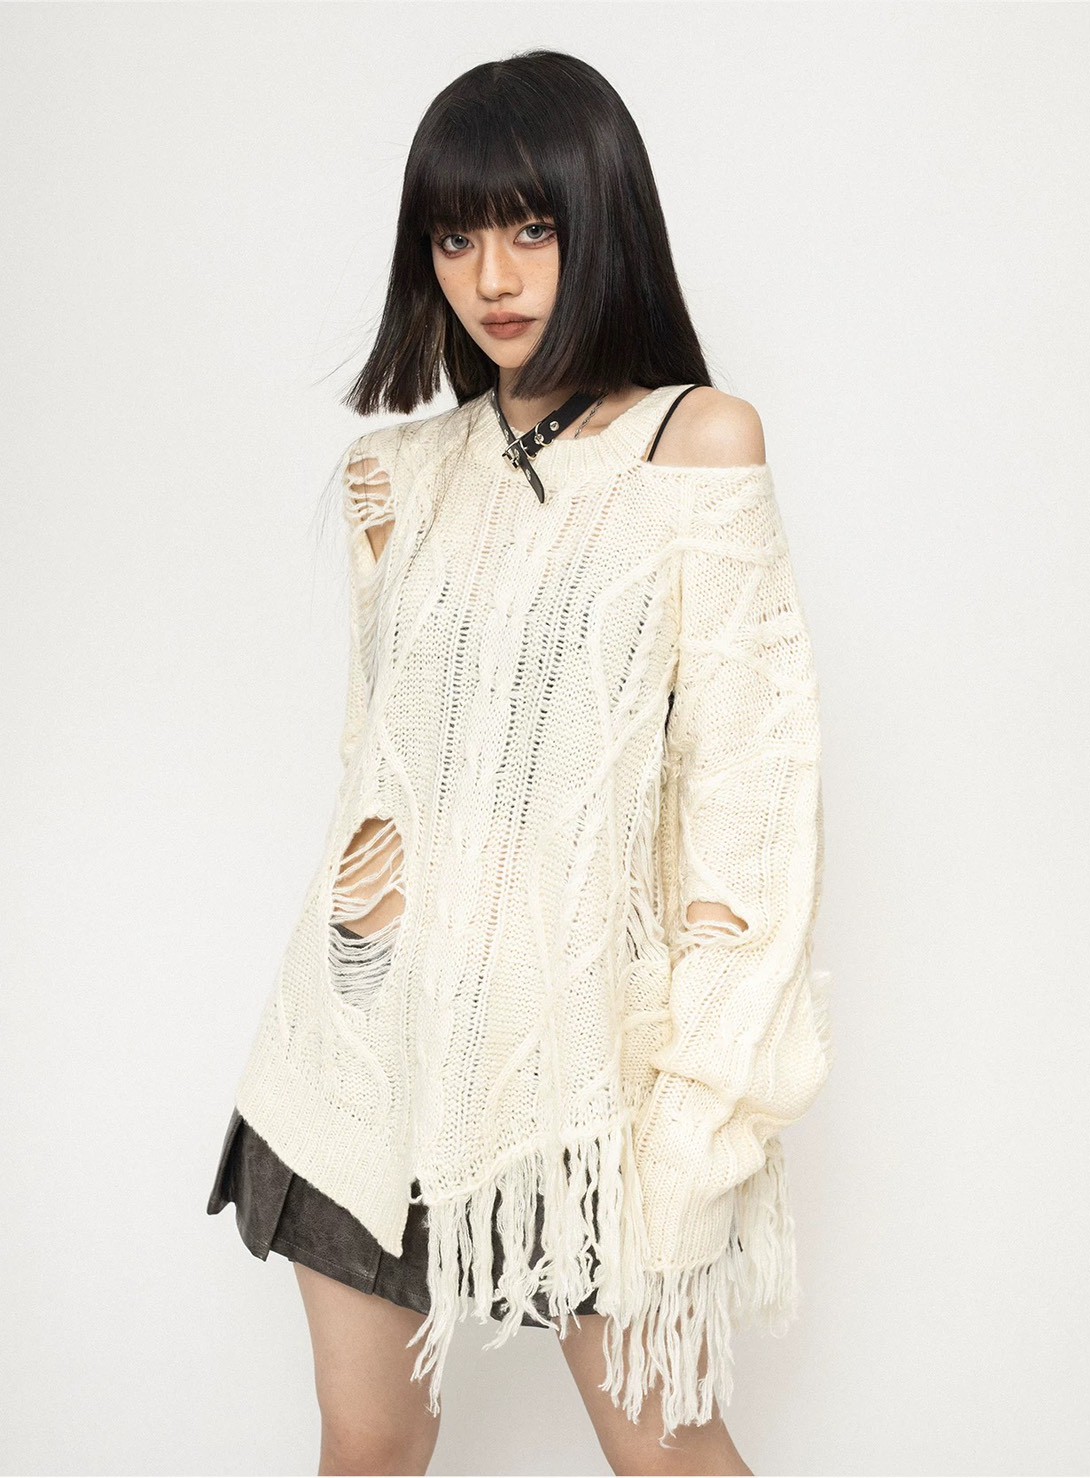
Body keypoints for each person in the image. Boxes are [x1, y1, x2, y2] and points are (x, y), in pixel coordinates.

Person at [207, 48, 834, 1477]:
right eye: (455, 237)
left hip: (582, 1077)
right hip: (361, 1054)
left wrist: (697, 1115)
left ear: (603, 220)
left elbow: (752, 808)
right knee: (367, 1446)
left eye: (531, 228)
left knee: (669, 1450)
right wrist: (360, 948)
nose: (492, 276)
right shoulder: (398, 476)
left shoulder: (697, 444)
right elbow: (379, 773)